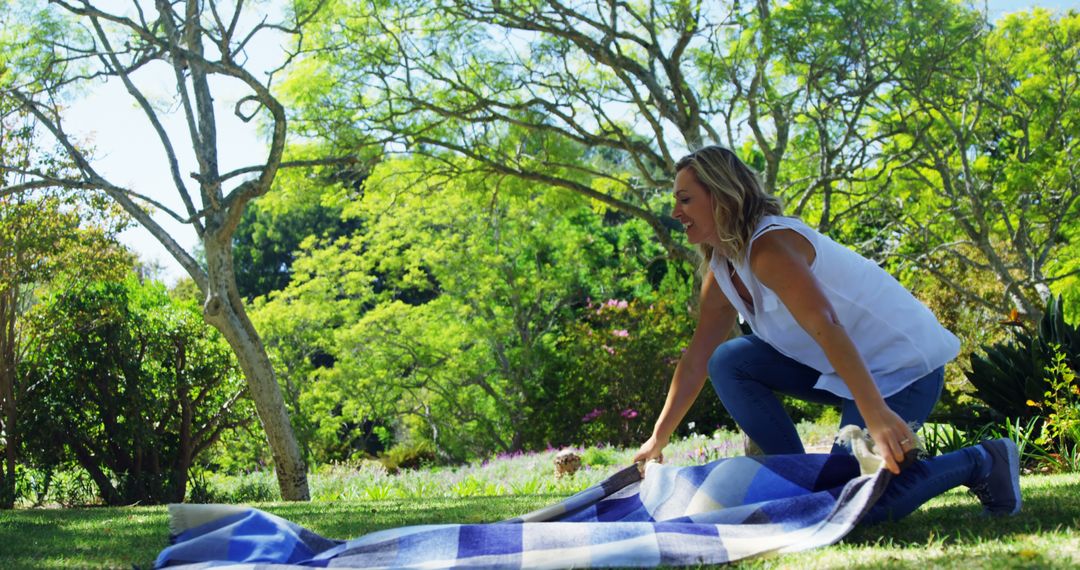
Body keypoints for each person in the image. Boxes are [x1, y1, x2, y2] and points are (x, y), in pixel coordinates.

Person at [632, 145, 960, 475]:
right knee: (727, 361)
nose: (676, 212)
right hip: (844, 369)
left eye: (685, 199)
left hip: (901, 367)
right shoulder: (722, 271)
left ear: (721, 195)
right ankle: (794, 475)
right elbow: (696, 360)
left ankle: (982, 461)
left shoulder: (769, 248)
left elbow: (827, 324)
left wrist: (875, 414)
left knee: (849, 499)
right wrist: (657, 439)